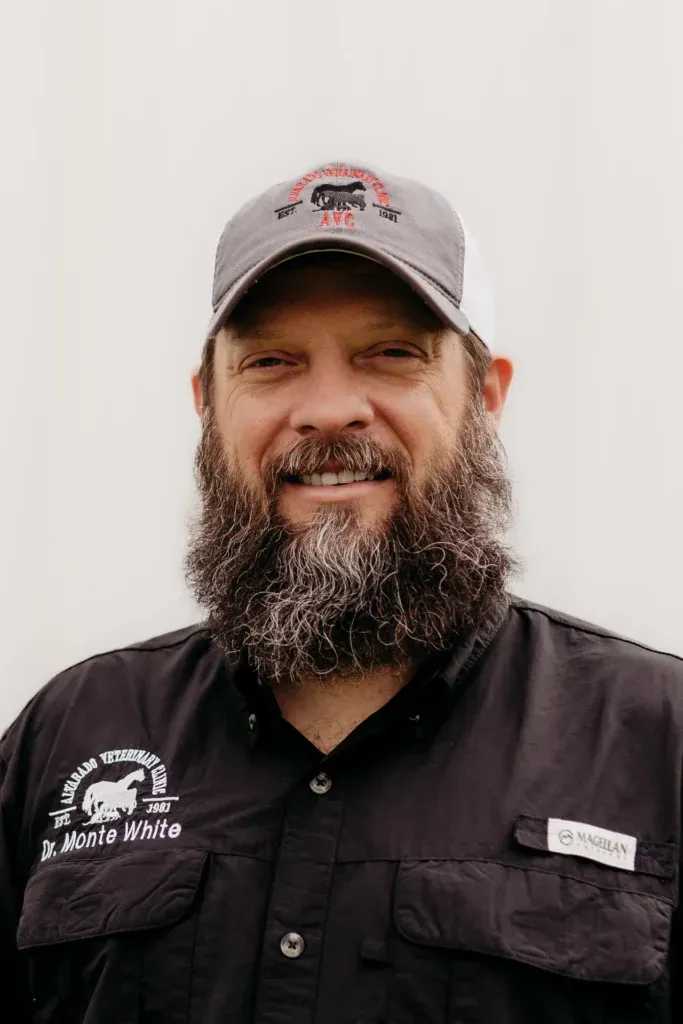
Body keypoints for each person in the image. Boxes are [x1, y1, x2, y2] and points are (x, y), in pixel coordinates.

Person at [1, 160, 681, 1024]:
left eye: (391, 354)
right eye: (272, 361)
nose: (327, 408)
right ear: (207, 405)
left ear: (484, 399)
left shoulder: (654, 740)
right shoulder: (71, 732)